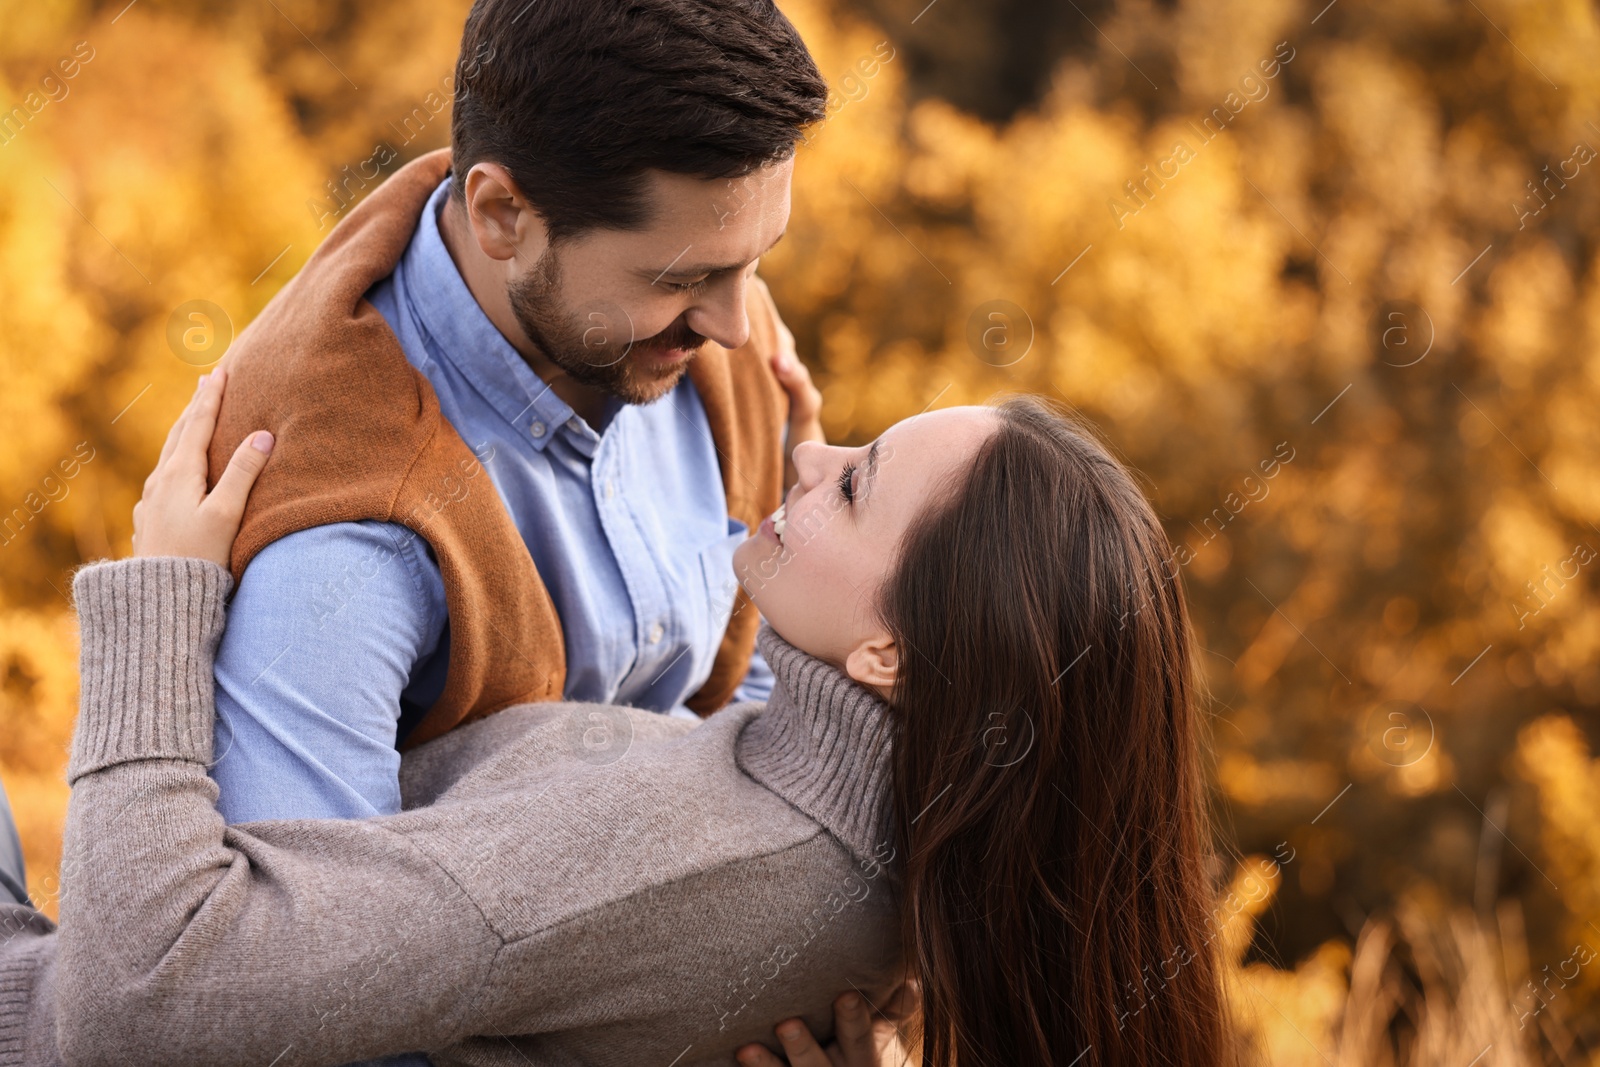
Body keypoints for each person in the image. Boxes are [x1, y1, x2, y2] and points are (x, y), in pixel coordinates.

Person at [0, 373, 1232, 1067]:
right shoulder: (880, 835)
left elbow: (142, 1000)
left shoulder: (700, 857)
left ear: (892, 653)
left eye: (854, 482)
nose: (814, 458)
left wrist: (160, 594)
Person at [202, 0, 826, 830]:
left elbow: (749, 692)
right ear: (501, 214)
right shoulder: (337, 541)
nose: (736, 328)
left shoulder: (714, 348)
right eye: (680, 279)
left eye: (753, 264)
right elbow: (309, 942)